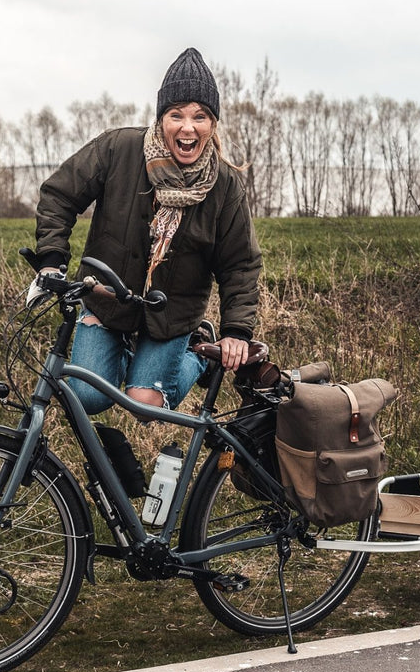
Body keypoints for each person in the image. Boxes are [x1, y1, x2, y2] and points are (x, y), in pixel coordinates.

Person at [31, 48, 262, 415]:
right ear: (161, 119)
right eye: (177, 115)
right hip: (107, 298)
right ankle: (124, 356)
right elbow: (60, 194)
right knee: (89, 397)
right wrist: (52, 259)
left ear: (212, 125)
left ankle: (198, 353)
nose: (188, 128)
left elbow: (240, 265)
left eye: (200, 117)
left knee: (145, 405)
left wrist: (236, 331)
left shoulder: (224, 186)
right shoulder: (118, 149)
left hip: (172, 315)